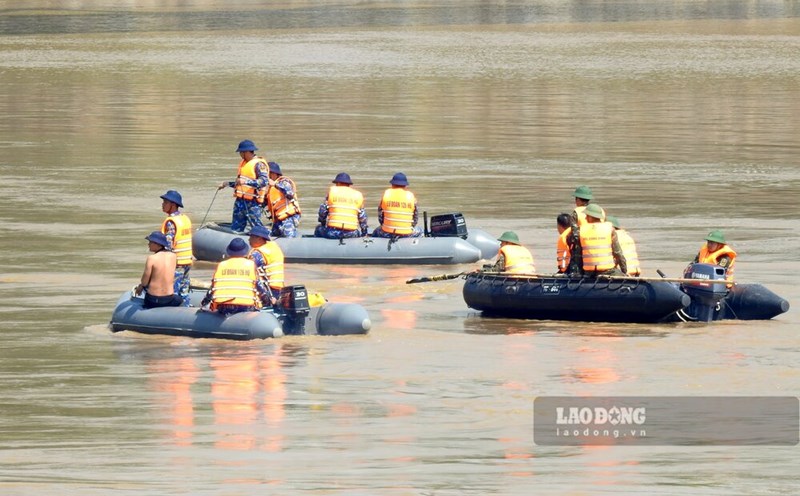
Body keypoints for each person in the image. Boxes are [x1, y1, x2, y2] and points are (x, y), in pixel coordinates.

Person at [201, 238, 273, 315]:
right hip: (245, 307)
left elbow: (213, 288)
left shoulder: (221, 265)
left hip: (223, 308)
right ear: (245, 252)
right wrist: (269, 301)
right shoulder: (251, 265)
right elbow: (260, 288)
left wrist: (204, 302)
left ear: (229, 252)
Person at [217, 139, 269, 233]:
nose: (240, 155)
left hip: (253, 203)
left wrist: (246, 181)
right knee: (236, 228)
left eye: (241, 152)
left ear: (247, 152)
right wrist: (227, 184)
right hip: (240, 202)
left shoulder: (259, 164)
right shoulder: (243, 164)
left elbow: (264, 181)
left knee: (256, 228)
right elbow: (240, 183)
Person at [569, 203, 626, 277]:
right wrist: (624, 272)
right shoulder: (610, 229)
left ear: (591, 217)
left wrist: (578, 273)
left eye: (587, 216)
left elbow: (578, 256)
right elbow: (618, 254)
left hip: (589, 273)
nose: (585, 218)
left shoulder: (581, 230)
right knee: (620, 273)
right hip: (608, 271)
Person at [159, 189, 193, 305]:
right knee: (184, 291)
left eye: (165, 202)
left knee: (173, 291)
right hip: (187, 261)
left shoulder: (171, 222)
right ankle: (185, 307)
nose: (162, 205)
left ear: (173, 205)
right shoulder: (185, 218)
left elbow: (168, 245)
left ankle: (173, 311)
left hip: (176, 263)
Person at [135, 231, 183, 309]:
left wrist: (140, 286)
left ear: (158, 244)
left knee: (143, 288)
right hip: (169, 299)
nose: (148, 244)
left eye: (150, 242)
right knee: (179, 300)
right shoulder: (173, 256)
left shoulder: (151, 258)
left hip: (153, 300)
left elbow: (144, 282)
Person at [314, 172, 368, 239]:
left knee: (318, 229)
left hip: (332, 232)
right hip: (351, 234)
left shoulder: (332, 192)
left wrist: (323, 223)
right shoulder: (358, 195)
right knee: (358, 232)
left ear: (338, 183)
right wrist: (364, 233)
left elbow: (322, 212)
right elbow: (363, 218)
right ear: (349, 184)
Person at [371, 172, 422, 238]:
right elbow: (415, 218)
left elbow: (380, 216)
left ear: (392, 184)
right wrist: (409, 228)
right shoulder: (411, 196)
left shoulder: (386, 194)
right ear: (405, 186)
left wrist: (385, 226)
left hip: (387, 233)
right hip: (407, 234)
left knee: (376, 231)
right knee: (420, 231)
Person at [263, 161, 301, 238]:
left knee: (288, 236)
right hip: (278, 221)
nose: (268, 177)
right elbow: (263, 203)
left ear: (275, 174)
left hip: (289, 218)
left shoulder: (284, 182)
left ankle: (295, 235)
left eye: (269, 174)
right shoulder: (271, 189)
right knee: (268, 234)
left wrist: (275, 184)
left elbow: (290, 193)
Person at [248, 225, 285, 297]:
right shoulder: (274, 248)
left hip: (267, 290)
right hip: (278, 288)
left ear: (259, 238)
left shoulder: (257, 254)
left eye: (251, 237)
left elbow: (249, 273)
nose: (249, 239)